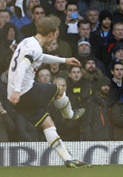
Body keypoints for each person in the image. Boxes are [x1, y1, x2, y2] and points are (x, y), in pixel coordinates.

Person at [7, 16, 89, 168]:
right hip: (25, 92)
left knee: (47, 123)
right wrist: (17, 91)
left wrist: (64, 60)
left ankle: (67, 159)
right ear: (51, 34)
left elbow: (40, 57)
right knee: (58, 89)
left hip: (16, 97)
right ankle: (70, 115)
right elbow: (22, 67)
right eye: (56, 33)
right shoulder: (35, 47)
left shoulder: (28, 41)